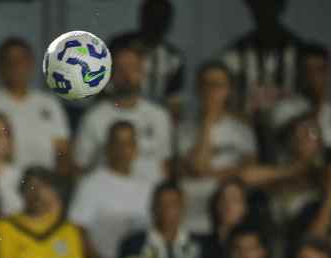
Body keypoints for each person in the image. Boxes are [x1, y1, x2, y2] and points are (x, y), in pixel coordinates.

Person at [72, 38, 172, 183]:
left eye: (133, 68)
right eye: (121, 69)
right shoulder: (94, 117)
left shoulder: (159, 116)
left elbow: (165, 166)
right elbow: (79, 167)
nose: (127, 76)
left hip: (149, 197)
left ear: (142, 73)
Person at [176, 61, 258, 235]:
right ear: (197, 89)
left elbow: (248, 174)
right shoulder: (183, 131)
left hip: (230, 220)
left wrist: (209, 173)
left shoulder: (242, 131)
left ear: (228, 90)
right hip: (192, 219)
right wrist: (208, 121)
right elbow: (198, 166)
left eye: (217, 85)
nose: (211, 91)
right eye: (206, 84)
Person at [0, 37, 71, 176]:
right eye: (9, 61)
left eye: (21, 60)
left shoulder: (49, 103)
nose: (15, 66)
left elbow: (63, 151)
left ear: (31, 63)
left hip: (42, 183)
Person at [69, 121, 155, 258]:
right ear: (108, 148)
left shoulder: (148, 186)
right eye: (118, 143)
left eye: (128, 143)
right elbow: (78, 230)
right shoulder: (91, 184)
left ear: (136, 148)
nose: (123, 149)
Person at [220, 0, 305, 121]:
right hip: (246, 130)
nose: (264, 11)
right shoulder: (235, 53)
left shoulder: (300, 52)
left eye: (269, 4)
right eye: (258, 4)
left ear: (281, 6)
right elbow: (225, 100)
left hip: (292, 131)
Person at [270, 43, 331, 151]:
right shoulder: (283, 110)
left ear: (328, 73)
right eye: (308, 70)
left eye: (319, 70)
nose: (313, 77)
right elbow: (282, 139)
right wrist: (315, 107)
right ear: (299, 73)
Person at [110, 0, 185, 115]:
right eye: (152, 17)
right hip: (118, 110)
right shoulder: (120, 45)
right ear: (142, 18)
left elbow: (173, 99)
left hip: (155, 116)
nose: (156, 23)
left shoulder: (174, 57)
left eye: (161, 18)